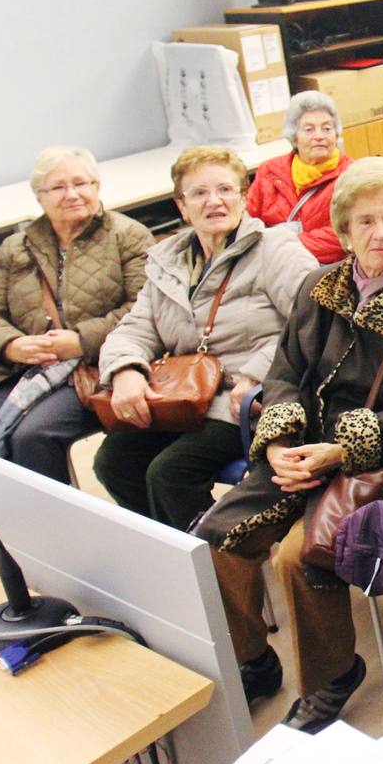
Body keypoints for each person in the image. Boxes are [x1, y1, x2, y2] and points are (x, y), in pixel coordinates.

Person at [191, 157, 383, 732]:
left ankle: (333, 674)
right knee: (216, 536)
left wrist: (337, 452)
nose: (381, 234)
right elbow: (285, 371)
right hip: (300, 448)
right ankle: (254, 660)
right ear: (344, 232)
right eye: (365, 222)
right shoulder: (321, 286)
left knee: (299, 556)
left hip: (375, 462)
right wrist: (277, 444)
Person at [93, 146, 317, 529]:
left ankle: (210, 569)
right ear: (181, 206)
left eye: (226, 190)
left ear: (243, 198)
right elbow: (134, 328)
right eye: (199, 193)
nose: (214, 201)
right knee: (112, 462)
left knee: (169, 473)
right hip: (180, 399)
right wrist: (125, 370)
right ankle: (169, 548)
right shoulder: (168, 261)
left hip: (243, 402)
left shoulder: (275, 250)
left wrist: (258, 372)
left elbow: (314, 320)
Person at [0, 146, 153, 482]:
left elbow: (144, 310)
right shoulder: (17, 247)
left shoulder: (128, 237)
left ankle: (57, 526)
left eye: (82, 183)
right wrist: (11, 345)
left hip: (96, 366)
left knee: (33, 436)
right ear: (39, 197)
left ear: (97, 186)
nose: (73, 194)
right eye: (59, 187)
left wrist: (79, 341)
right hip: (27, 366)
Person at [245, 92, 353, 264]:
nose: (319, 136)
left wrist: (282, 244)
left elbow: (346, 235)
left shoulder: (352, 175)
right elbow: (246, 222)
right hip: (271, 266)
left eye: (327, 128)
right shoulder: (270, 171)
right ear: (294, 138)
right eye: (309, 129)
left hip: (325, 271)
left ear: (336, 135)